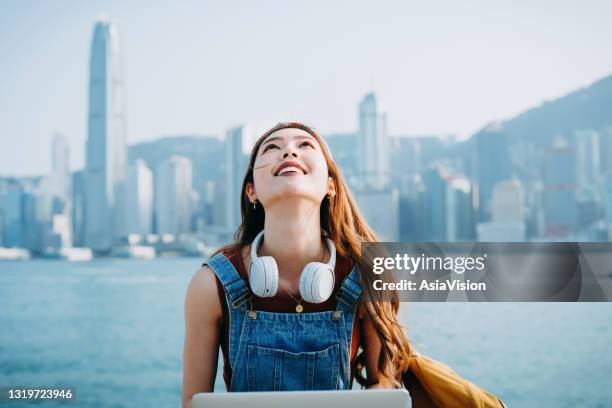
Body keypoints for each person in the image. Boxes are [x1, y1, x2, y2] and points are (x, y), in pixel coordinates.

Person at [182, 122, 412, 407]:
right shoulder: (212, 284)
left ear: (330, 185)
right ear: (251, 191)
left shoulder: (368, 274)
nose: (289, 151)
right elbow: (193, 403)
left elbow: (385, 383)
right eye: (272, 147)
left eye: (304, 145)